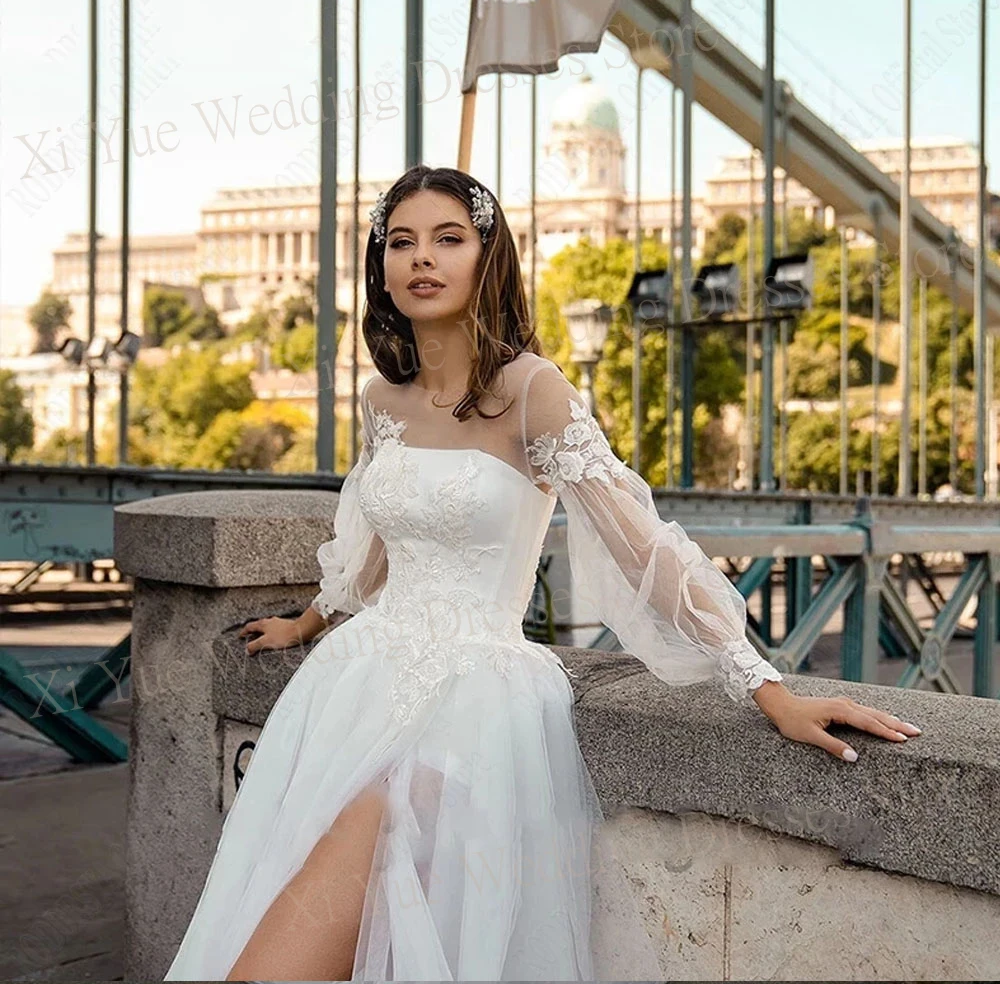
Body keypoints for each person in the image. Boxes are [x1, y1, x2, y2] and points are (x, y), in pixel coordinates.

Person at [163, 165, 923, 982]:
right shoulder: (381, 399)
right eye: (403, 241)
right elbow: (377, 545)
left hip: (469, 702)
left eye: (449, 239)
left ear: (489, 258)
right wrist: (312, 620)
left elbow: (644, 549)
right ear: (381, 265)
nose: (423, 258)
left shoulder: (533, 391)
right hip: (354, 684)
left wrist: (766, 687)